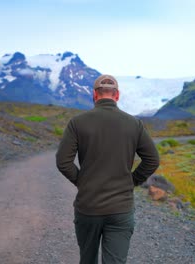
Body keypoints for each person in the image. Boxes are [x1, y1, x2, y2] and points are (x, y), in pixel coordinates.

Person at [56, 74, 160, 264]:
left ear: (95, 95)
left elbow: (63, 161)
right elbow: (152, 159)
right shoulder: (134, 124)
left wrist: (82, 182)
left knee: (87, 260)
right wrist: (132, 181)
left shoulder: (77, 123)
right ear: (117, 95)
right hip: (120, 208)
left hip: (88, 206)